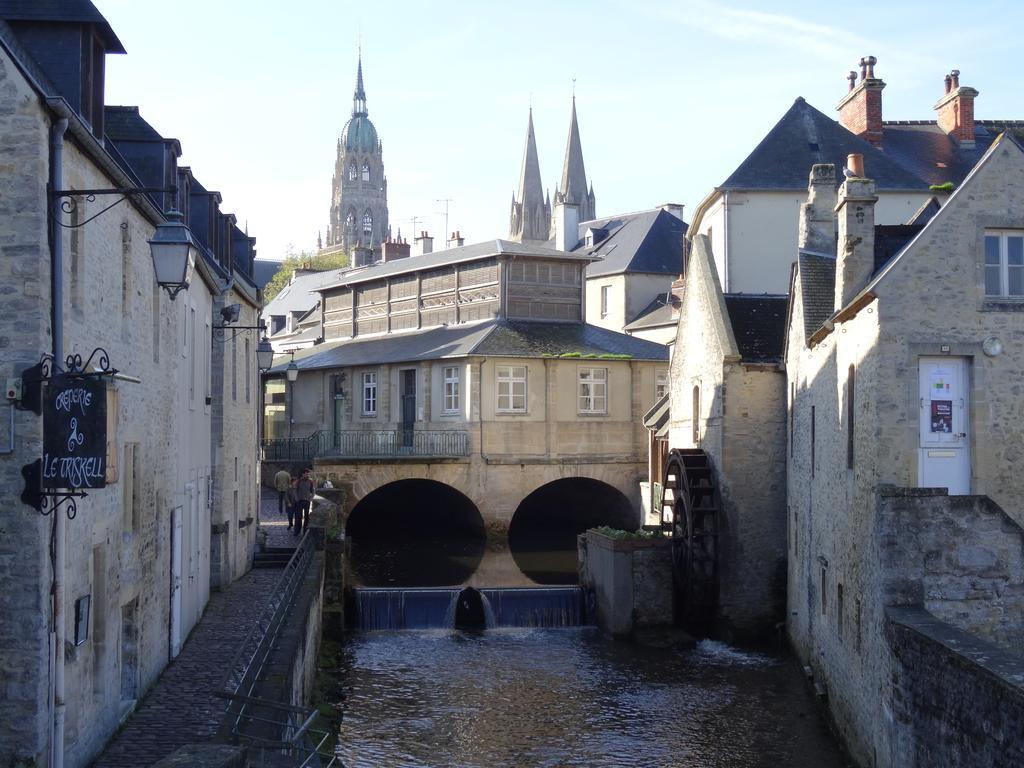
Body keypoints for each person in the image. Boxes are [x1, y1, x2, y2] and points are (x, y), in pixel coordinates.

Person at [294, 470, 315, 535]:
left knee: (307, 517)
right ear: (303, 474)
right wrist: (296, 498)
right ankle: (297, 531)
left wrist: (311, 498)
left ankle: (305, 532)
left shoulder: (310, 482)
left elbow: (313, 491)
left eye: (308, 474)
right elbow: (295, 490)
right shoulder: (299, 481)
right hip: (300, 501)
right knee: (298, 517)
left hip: (307, 502)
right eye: (306, 474)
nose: (307, 475)